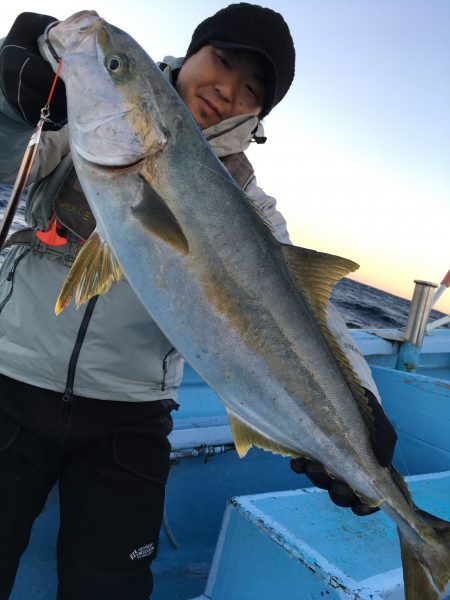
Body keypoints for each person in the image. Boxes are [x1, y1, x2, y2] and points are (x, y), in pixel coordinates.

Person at [0, 4, 396, 599]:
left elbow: (307, 314)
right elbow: (12, 156)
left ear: (260, 111)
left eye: (251, 87)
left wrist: (362, 400)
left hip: (129, 417)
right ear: (193, 53)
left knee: (108, 587)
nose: (226, 89)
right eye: (223, 61)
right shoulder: (84, 119)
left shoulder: (253, 208)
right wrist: (10, 102)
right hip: (11, 376)